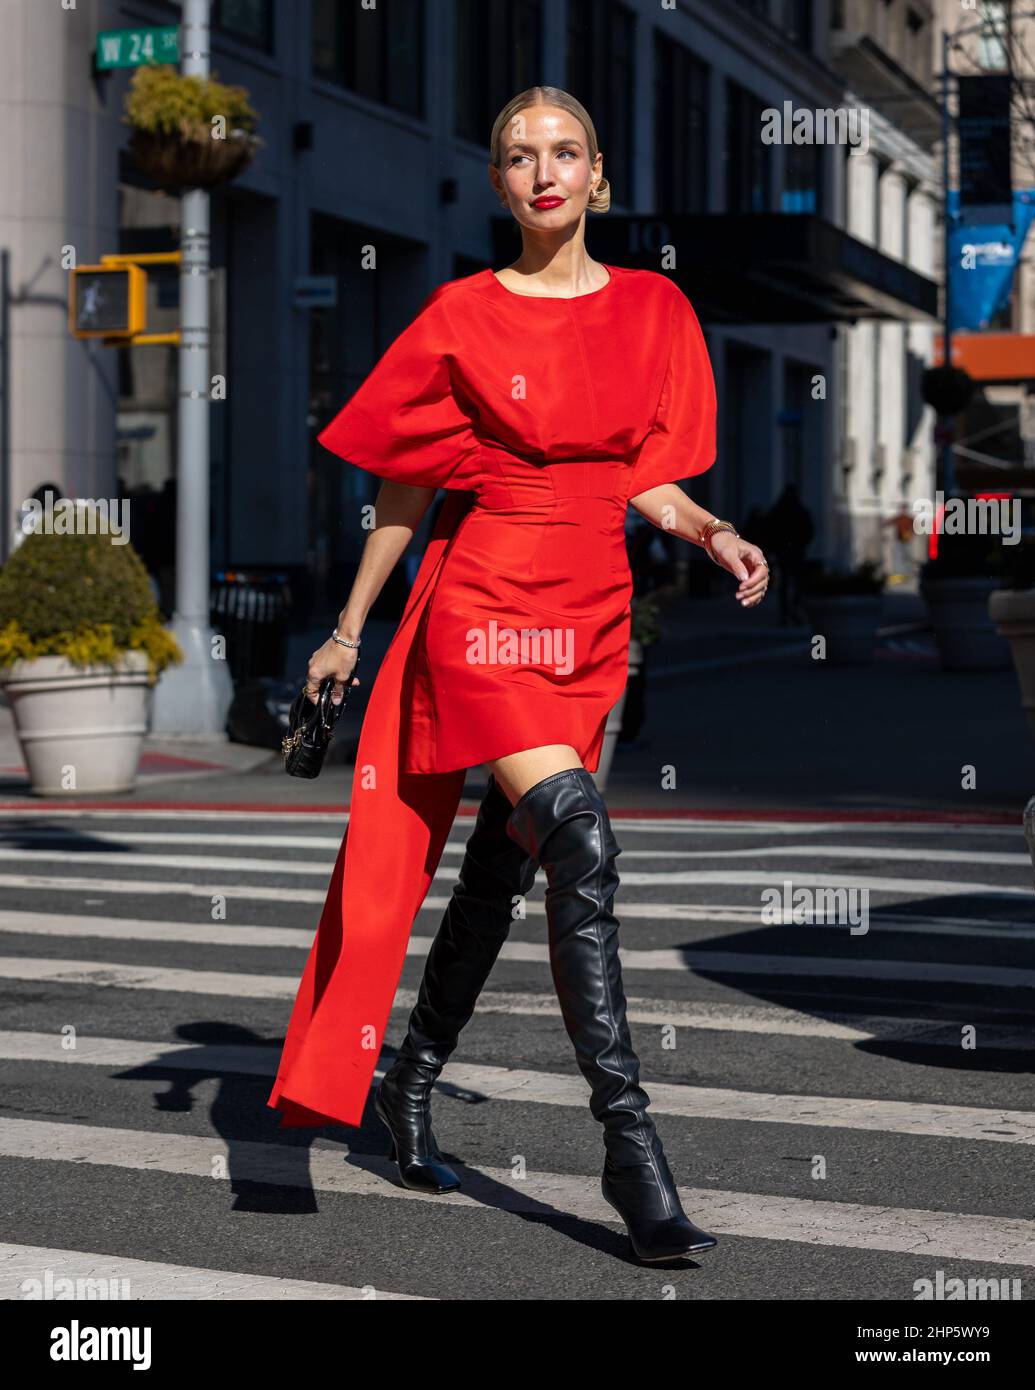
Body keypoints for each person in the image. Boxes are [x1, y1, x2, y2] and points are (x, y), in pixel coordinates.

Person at [267, 87, 769, 1265]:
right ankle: (629, 1150)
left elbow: (641, 476)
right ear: (496, 182)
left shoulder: (654, 309)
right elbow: (405, 482)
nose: (540, 171)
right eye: (515, 155)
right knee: (581, 842)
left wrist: (709, 533)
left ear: (598, 173)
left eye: (562, 152)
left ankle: (409, 1081)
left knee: (502, 865)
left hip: (590, 611)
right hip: (484, 607)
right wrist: (347, 626)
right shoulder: (458, 314)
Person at [764, 482, 814, 624]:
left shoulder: (780, 510)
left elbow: (770, 530)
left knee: (786, 583)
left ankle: (787, 611)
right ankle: (791, 610)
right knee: (794, 583)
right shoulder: (798, 510)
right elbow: (808, 530)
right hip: (793, 551)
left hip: (786, 551)